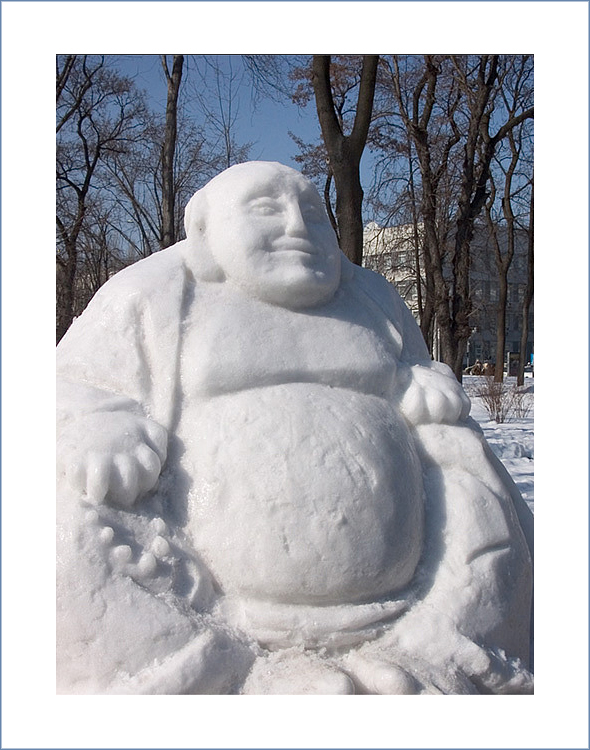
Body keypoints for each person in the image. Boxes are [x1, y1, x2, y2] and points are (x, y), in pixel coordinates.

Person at [57, 161, 533, 694]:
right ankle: (215, 666)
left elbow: (418, 371)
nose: (297, 226)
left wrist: (420, 382)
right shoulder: (151, 293)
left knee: (469, 467)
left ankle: (433, 649)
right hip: (197, 591)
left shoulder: (374, 300)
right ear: (203, 230)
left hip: (400, 595)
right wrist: (98, 421)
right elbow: (68, 381)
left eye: (313, 212)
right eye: (266, 208)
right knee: (66, 517)